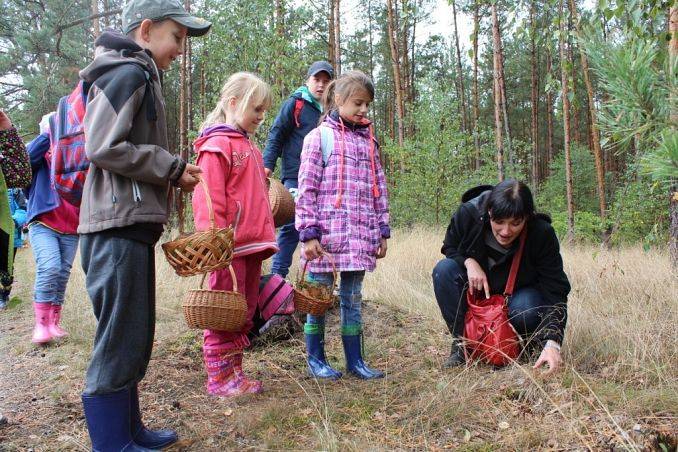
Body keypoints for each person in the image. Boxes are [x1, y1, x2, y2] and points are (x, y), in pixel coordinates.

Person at [77, 1, 210, 449]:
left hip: (127, 226)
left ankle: (130, 430)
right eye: (176, 38)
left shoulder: (138, 73)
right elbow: (102, 146)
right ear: (147, 30)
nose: (179, 50)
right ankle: (112, 443)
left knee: (132, 336)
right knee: (118, 341)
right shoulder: (128, 72)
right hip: (113, 227)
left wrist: (173, 172)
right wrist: (170, 166)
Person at [296, 70, 390, 380]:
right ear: (338, 100)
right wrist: (308, 233)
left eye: (368, 104)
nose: (364, 110)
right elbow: (307, 188)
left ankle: (355, 360)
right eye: (358, 103)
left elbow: (379, 188)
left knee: (353, 298)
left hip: (360, 236)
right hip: (326, 238)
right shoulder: (318, 138)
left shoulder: (369, 142)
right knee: (318, 298)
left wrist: (382, 230)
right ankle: (316, 358)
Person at [192, 72, 278, 397]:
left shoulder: (248, 146)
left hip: (251, 244)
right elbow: (208, 198)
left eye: (263, 110)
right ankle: (218, 379)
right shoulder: (217, 146)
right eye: (255, 108)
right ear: (232, 103)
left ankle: (235, 373)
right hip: (228, 248)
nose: (260, 116)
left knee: (242, 312)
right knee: (222, 312)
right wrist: (214, 241)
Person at [432, 180, 571, 375]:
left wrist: (553, 342)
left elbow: (556, 290)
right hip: (478, 291)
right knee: (444, 270)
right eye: (499, 222)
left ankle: (527, 347)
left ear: (527, 218)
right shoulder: (468, 214)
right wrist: (468, 262)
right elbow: (449, 246)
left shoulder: (541, 233)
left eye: (516, 223)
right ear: (489, 212)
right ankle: (462, 346)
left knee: (528, 307)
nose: (506, 232)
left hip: (518, 296)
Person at [263, 61, 334, 278]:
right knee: (292, 226)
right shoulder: (296, 104)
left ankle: (315, 284)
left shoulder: (333, 110)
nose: (321, 85)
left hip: (324, 178)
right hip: (295, 175)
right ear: (308, 80)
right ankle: (277, 280)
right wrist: (267, 165)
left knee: (322, 228)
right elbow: (277, 133)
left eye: (326, 81)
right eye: (316, 79)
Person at [23, 113, 80, 343]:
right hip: (44, 222)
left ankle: (54, 323)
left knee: (62, 274)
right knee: (49, 267)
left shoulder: (72, 153)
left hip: (71, 225)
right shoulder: (38, 154)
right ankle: (41, 324)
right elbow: (25, 161)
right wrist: (48, 134)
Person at [0, 110, 31, 310]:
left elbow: (22, 175)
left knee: (5, 267)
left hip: (5, 227)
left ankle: (4, 294)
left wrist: (7, 131)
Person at [1, 188, 27, 308]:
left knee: (6, 269)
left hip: (9, 237)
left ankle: (4, 294)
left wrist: (12, 222)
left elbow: (23, 211)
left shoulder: (15, 192)